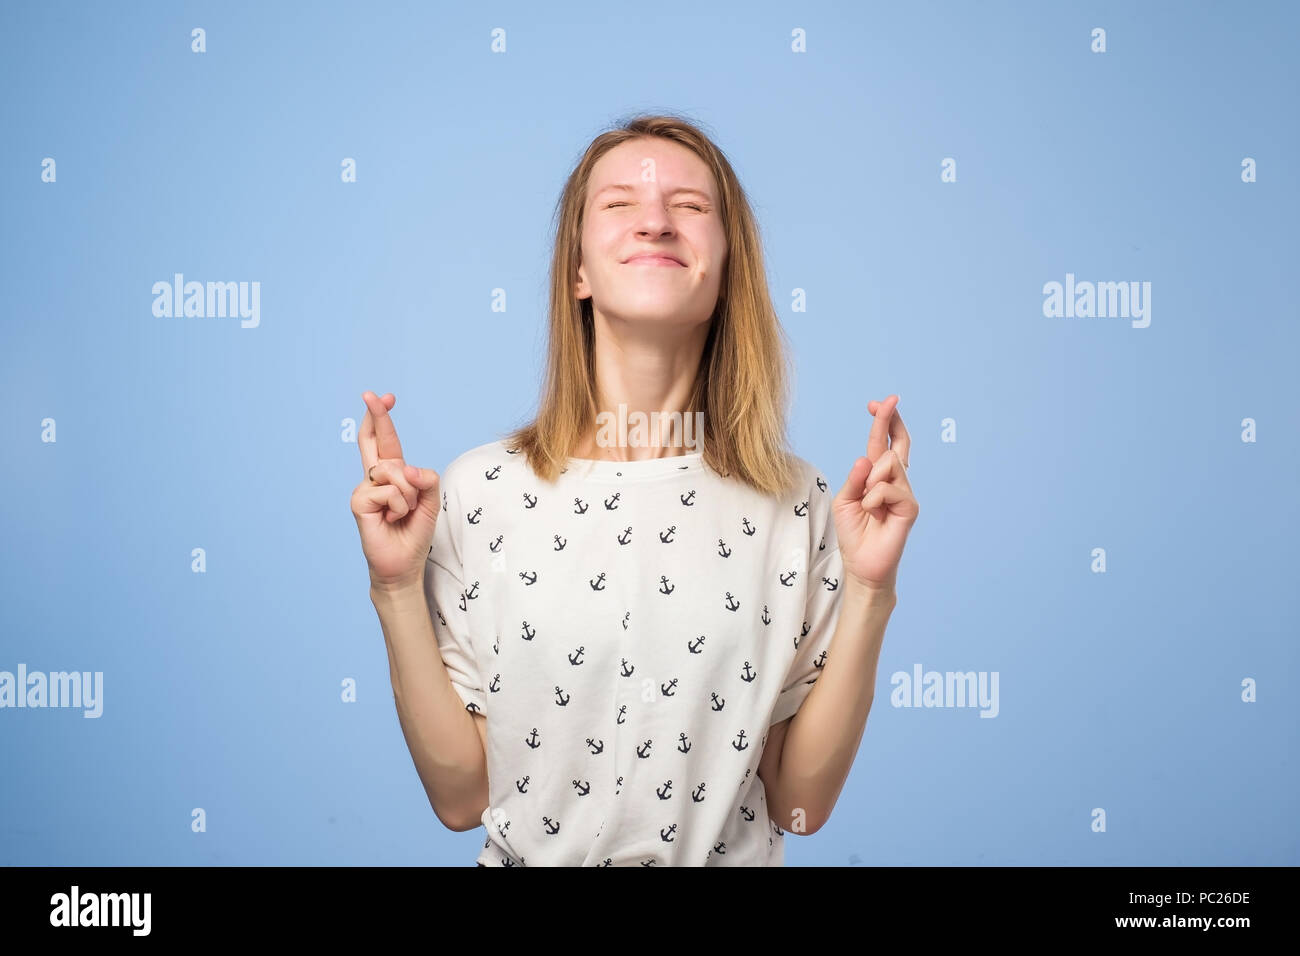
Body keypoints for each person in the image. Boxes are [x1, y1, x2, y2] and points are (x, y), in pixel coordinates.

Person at [351, 114, 919, 866]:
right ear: (578, 273)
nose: (654, 220)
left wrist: (872, 590)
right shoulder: (479, 492)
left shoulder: (800, 504)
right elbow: (460, 799)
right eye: (619, 204)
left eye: (690, 207)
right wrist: (394, 587)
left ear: (725, 272)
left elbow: (799, 805)